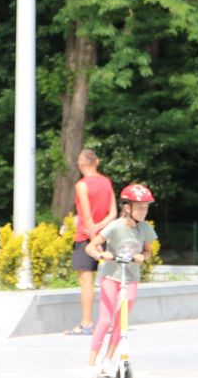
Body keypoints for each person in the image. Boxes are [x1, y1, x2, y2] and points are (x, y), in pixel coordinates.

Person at [84, 183, 158, 378]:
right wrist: (103, 255)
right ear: (127, 207)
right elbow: (90, 247)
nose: (144, 211)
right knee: (106, 319)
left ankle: (108, 360)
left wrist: (144, 256)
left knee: (121, 322)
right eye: (140, 207)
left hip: (130, 278)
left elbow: (148, 250)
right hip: (111, 276)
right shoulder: (115, 226)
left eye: (146, 207)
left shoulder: (145, 229)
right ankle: (92, 363)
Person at [67, 149, 117, 336]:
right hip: (105, 236)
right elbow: (113, 213)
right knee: (108, 280)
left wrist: (93, 237)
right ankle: (109, 322)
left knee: (86, 281)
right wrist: (101, 231)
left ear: (81, 165)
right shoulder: (106, 182)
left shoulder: (82, 185)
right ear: (96, 162)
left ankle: (87, 323)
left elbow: (86, 216)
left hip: (85, 238)